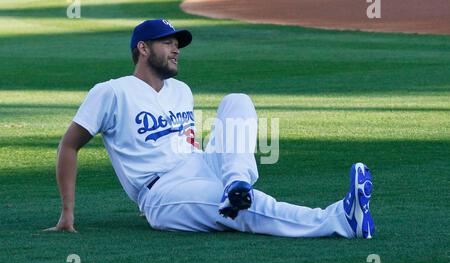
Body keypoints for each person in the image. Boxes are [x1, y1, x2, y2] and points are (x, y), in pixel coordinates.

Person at [46, 19, 375, 239]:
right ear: (142, 48)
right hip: (164, 192)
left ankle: (237, 183)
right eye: (167, 43)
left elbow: (186, 144)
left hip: (202, 167)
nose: (176, 49)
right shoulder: (112, 92)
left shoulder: (181, 91)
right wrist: (67, 213)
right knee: (244, 210)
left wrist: (223, 167)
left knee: (236, 101)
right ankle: (339, 220)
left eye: (178, 43)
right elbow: (69, 146)